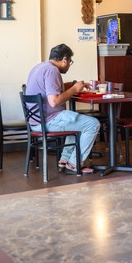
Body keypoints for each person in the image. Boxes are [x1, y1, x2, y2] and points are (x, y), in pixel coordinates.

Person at [25, 44, 100, 174]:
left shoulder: (39, 67)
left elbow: (51, 88)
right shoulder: (52, 71)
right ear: (65, 59)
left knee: (76, 122)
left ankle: (64, 160)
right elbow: (54, 101)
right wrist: (74, 89)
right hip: (48, 121)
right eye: (70, 61)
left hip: (36, 121)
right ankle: (74, 164)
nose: (69, 65)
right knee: (92, 124)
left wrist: (73, 85)